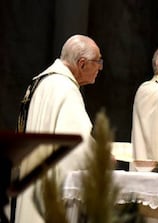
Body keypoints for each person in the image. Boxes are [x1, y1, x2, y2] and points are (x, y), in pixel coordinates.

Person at [14, 34, 103, 223]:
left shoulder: (41, 82)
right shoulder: (66, 89)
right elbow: (76, 145)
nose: (100, 67)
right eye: (98, 61)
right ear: (82, 63)